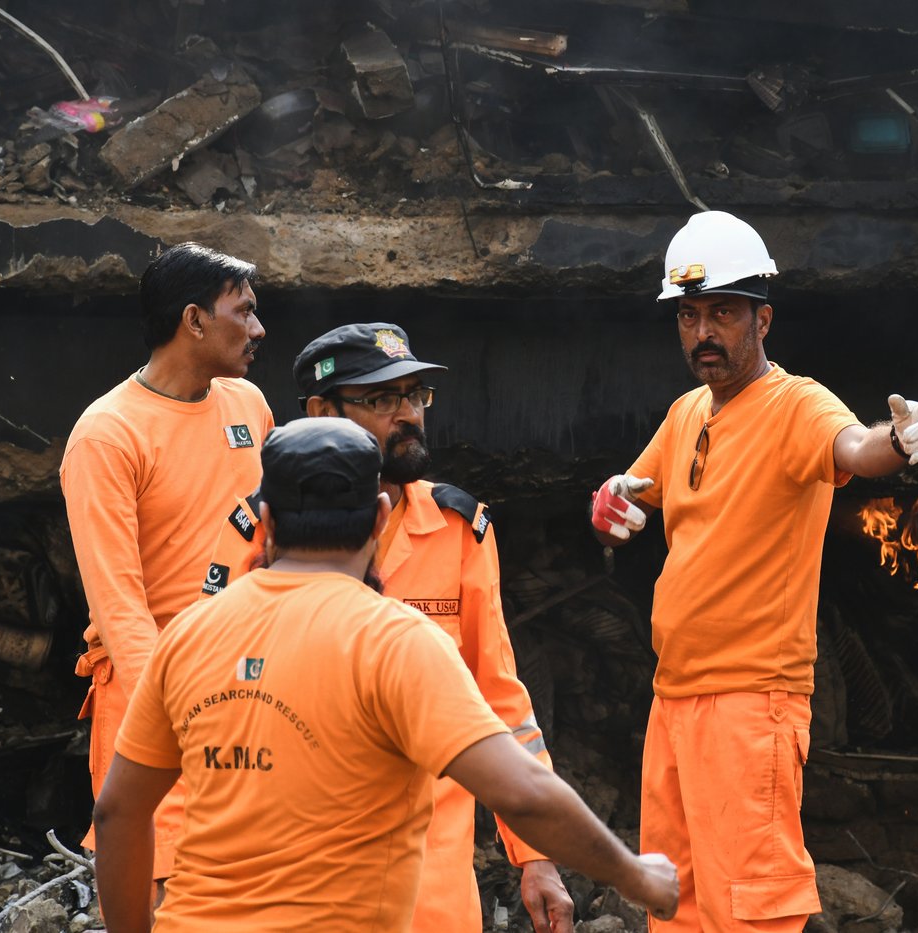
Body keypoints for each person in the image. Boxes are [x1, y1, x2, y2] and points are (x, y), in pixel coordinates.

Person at [93, 419, 680, 933]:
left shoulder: (187, 636)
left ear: (266, 520)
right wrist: (635, 875)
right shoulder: (397, 641)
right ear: (378, 517)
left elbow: (118, 812)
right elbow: (522, 791)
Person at [588, 210, 918, 933]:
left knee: (754, 909)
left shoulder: (796, 406)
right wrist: (609, 500)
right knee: (675, 902)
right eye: (689, 315)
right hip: (675, 697)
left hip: (752, 699)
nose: (703, 332)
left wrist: (900, 442)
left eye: (722, 312)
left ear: (763, 320)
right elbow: (635, 488)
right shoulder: (688, 411)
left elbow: (855, 447)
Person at [205, 322, 572, 933]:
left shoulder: (461, 530)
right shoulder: (260, 530)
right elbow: (211, 706)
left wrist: (536, 855)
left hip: (433, 893)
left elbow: (500, 700)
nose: (409, 415)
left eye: (415, 396)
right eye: (382, 399)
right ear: (321, 412)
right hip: (298, 887)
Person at [60, 242, 270, 884]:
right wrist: (176, 711)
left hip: (251, 686)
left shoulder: (248, 405)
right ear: (195, 320)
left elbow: (272, 547)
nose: (259, 329)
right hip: (156, 698)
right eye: (245, 311)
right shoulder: (108, 434)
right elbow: (118, 605)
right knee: (165, 891)